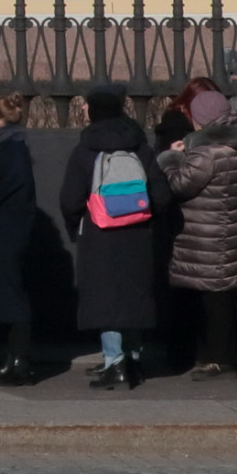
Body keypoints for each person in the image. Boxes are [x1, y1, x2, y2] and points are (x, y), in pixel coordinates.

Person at [63, 85, 170, 389]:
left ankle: (115, 362)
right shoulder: (140, 147)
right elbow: (161, 195)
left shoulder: (85, 151)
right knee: (133, 296)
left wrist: (76, 225)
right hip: (137, 234)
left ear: (93, 112)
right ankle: (134, 360)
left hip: (99, 234)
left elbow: (70, 199)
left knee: (105, 299)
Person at [158, 85, 237, 377]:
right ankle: (223, 354)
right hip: (228, 233)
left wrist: (171, 158)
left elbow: (179, 185)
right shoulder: (230, 146)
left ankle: (216, 358)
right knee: (224, 296)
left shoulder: (207, 154)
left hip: (205, 235)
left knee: (210, 299)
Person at [0, 92, 48, 384]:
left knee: (10, 293)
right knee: (4, 291)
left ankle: (17, 362)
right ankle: (9, 359)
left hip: (4, 227)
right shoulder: (16, 144)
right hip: (10, 226)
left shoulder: (4, 146)